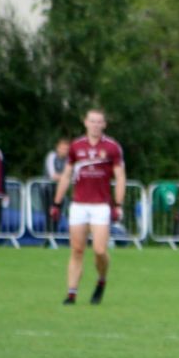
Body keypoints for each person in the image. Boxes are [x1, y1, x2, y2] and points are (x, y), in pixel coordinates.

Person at [50, 109, 126, 305]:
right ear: (85, 122)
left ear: (104, 125)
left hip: (101, 205)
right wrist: (57, 202)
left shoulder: (112, 147)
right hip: (79, 205)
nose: (95, 125)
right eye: (92, 121)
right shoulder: (76, 146)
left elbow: (120, 176)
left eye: (99, 122)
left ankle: (101, 280)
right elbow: (66, 175)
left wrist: (118, 204)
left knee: (100, 250)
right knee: (77, 250)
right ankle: (71, 293)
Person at [42, 136, 69, 231]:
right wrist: (65, 177)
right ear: (57, 147)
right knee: (49, 213)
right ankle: (48, 237)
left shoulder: (68, 160)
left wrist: (63, 177)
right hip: (48, 189)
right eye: (62, 148)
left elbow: (71, 175)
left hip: (61, 190)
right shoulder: (51, 156)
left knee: (58, 214)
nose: (64, 150)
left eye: (66, 149)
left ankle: (54, 236)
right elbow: (52, 175)